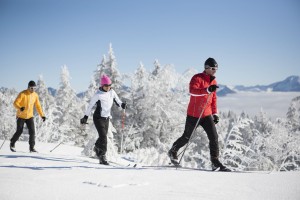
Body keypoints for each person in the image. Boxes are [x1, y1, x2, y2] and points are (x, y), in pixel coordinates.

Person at [168, 58, 231, 171]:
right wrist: (207, 90)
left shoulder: (214, 82)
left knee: (214, 137)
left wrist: (215, 114)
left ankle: (215, 162)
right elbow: (192, 91)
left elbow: (214, 99)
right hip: (194, 114)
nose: (215, 70)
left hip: (206, 115)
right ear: (206, 68)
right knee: (186, 137)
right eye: (212, 68)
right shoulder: (197, 78)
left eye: (216, 68)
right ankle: (173, 151)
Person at [80, 75, 127, 165]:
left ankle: (97, 147)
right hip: (98, 118)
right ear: (102, 86)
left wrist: (122, 105)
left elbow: (118, 101)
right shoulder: (98, 95)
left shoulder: (112, 92)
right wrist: (85, 117)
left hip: (106, 118)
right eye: (106, 86)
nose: (108, 87)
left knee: (103, 136)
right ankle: (102, 156)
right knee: (103, 137)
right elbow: (90, 106)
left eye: (109, 85)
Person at [10, 80, 46, 153]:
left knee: (32, 131)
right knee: (19, 131)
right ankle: (12, 143)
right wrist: (20, 107)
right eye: (31, 88)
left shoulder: (35, 95)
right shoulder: (22, 94)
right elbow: (15, 103)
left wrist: (42, 115)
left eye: (34, 88)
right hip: (21, 116)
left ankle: (32, 148)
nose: (33, 90)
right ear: (28, 87)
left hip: (29, 116)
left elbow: (38, 106)